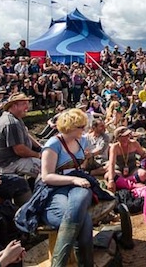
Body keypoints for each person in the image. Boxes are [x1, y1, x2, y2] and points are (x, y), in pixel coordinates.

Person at [40, 108, 96, 267]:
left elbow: (84, 161)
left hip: (77, 184)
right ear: (70, 127)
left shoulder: (82, 140)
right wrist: (73, 180)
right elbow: (46, 176)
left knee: (82, 197)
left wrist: (87, 157)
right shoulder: (53, 144)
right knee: (84, 221)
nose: (84, 129)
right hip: (56, 187)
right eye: (80, 126)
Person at [0, 93, 42, 178]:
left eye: (27, 103)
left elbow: (26, 134)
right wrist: (39, 155)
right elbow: (20, 150)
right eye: (24, 104)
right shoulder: (11, 123)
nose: (27, 107)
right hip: (8, 164)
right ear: (14, 106)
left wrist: (41, 148)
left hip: (16, 159)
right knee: (47, 168)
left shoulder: (15, 118)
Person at [103, 126, 146, 192]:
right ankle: (133, 185)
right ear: (118, 138)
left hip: (132, 169)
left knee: (143, 174)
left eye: (128, 135)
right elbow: (112, 164)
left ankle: (123, 183)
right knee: (108, 176)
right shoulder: (114, 147)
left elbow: (143, 154)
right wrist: (111, 180)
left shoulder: (134, 143)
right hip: (119, 170)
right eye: (124, 136)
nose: (126, 138)